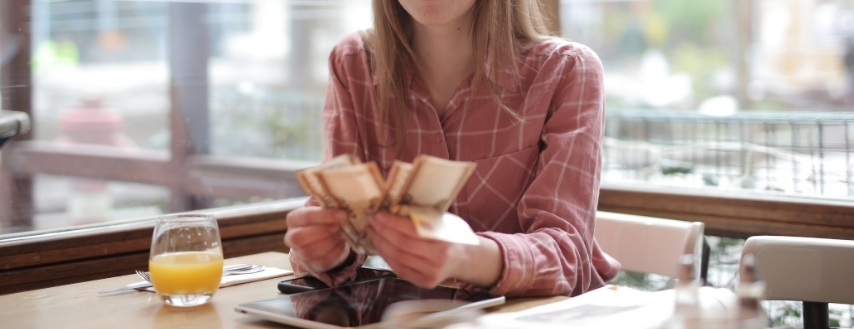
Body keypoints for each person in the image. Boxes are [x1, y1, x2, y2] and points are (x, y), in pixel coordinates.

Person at [285, 0, 620, 297]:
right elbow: (333, 228)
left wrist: (467, 255)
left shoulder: (568, 70)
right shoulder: (352, 63)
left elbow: (568, 257)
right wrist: (328, 252)